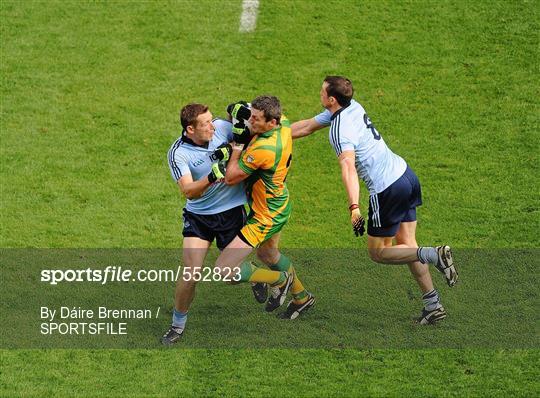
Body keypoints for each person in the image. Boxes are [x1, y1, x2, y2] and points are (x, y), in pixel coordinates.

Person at [291, 76, 458, 324]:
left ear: (332, 99)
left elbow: (348, 167)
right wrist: (270, 135)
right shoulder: (351, 106)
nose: (319, 94)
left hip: (387, 190)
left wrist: (354, 207)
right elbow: (306, 127)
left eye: (322, 91)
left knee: (379, 253)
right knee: (408, 245)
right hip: (405, 175)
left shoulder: (339, 131)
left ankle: (434, 254)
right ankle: (433, 304)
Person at [161, 103, 267, 346]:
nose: (213, 125)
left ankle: (256, 276)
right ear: (190, 129)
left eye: (211, 120)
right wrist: (213, 176)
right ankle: (177, 326)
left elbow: (244, 122)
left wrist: (236, 109)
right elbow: (188, 191)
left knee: (229, 276)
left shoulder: (221, 128)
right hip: (199, 217)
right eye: (206, 123)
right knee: (190, 273)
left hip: (230, 212)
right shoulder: (178, 153)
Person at [213, 95, 315, 320]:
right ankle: (302, 297)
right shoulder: (283, 123)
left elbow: (230, 177)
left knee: (223, 270)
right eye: (251, 116)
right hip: (278, 205)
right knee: (268, 254)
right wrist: (237, 111)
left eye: (257, 119)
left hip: (264, 216)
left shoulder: (264, 149)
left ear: (272, 122)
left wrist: (237, 145)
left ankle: (279, 280)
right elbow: (243, 114)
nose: (251, 122)